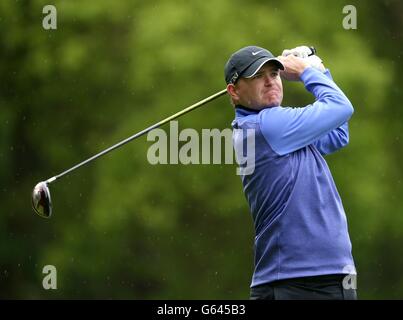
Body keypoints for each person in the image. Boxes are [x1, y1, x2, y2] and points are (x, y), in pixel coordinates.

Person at [224, 45, 357, 300]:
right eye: (257, 76)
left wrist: (319, 71)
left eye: (274, 74)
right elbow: (342, 108)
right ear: (234, 91)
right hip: (301, 282)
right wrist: (308, 71)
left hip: (307, 278)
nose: (269, 81)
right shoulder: (267, 126)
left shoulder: (280, 130)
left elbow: (339, 133)